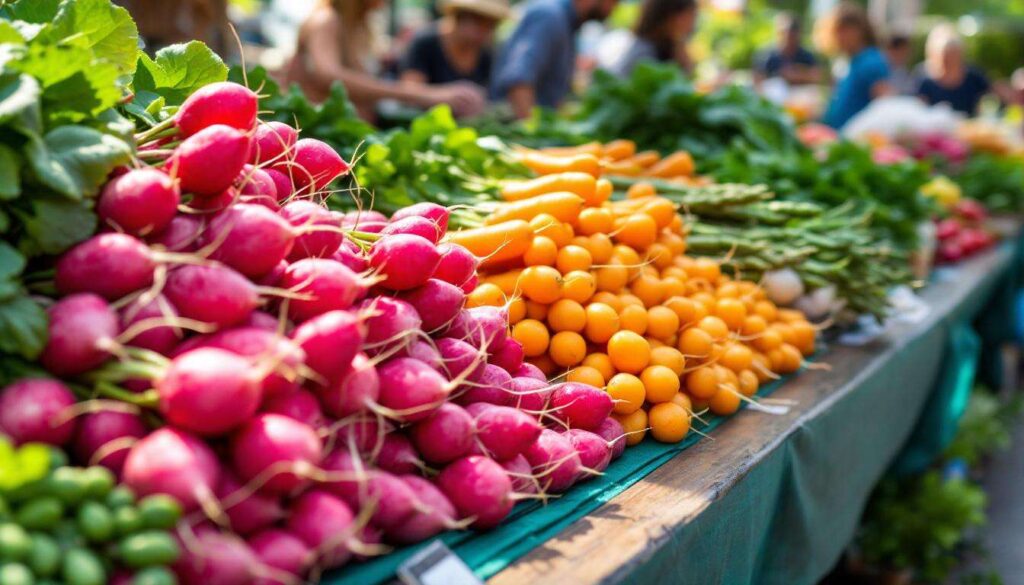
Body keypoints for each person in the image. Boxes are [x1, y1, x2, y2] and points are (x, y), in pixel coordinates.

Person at [286, 0, 486, 122]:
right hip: (316, 133)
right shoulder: (326, 20)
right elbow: (329, 77)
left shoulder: (360, 28)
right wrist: (425, 94)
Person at [492, 0, 620, 119]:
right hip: (507, 124)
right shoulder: (550, 16)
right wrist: (531, 129)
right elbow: (519, 80)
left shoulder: (567, 23)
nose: (615, 8)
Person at [400, 0, 509, 88]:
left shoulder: (487, 52)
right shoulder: (426, 42)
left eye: (491, 26)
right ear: (461, 16)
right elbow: (410, 89)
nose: (485, 32)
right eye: (481, 23)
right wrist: (445, 95)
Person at [815, 2, 891, 129]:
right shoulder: (846, 62)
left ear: (859, 31)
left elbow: (884, 104)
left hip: (858, 137)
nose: (839, 37)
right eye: (837, 32)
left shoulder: (870, 61)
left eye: (844, 31)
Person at [597, 0, 697, 78]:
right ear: (670, 16)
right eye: (689, 15)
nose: (692, 23)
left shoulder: (670, 47)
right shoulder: (644, 52)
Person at [913, 26, 992, 117]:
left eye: (953, 55)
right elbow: (917, 108)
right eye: (945, 56)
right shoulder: (922, 77)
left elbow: (991, 96)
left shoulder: (974, 76)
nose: (950, 60)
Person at [753, 13, 821, 86]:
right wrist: (780, 76)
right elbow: (758, 80)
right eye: (784, 33)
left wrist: (798, 74)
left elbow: (817, 76)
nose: (788, 38)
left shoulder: (806, 56)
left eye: (793, 33)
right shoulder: (766, 56)